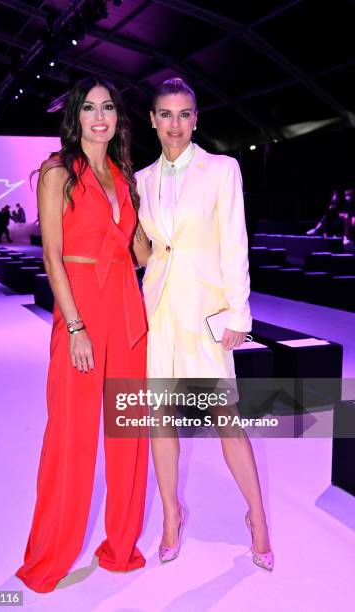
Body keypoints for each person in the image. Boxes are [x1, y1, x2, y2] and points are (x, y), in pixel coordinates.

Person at [15, 77, 151, 593]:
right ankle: (49, 555)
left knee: (128, 436)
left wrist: (136, 220)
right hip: (82, 309)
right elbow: (52, 256)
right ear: (75, 117)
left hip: (127, 308)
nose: (100, 116)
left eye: (109, 107)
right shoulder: (57, 173)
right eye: (89, 107)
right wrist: (74, 326)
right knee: (71, 439)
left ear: (118, 117)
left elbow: (138, 256)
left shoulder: (122, 174)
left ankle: (121, 547)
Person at [136, 77, 274, 571]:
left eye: (184, 114)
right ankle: (172, 515)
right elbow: (149, 250)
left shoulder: (223, 169)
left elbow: (235, 243)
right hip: (158, 313)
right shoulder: (142, 180)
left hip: (205, 312)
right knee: (160, 420)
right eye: (166, 115)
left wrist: (239, 312)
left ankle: (257, 516)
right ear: (152, 119)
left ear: (197, 118)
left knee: (226, 419)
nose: (175, 125)